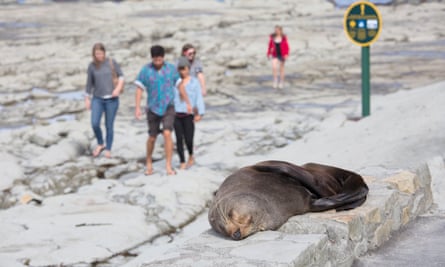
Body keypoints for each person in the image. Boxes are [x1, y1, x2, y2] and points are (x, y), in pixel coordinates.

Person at [134, 45, 191, 176]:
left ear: (163, 58)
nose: (158, 62)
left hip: (168, 106)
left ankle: (168, 165)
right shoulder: (145, 70)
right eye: (155, 60)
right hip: (152, 108)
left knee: (167, 133)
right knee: (152, 137)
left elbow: (180, 85)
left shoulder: (171, 69)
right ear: (152, 58)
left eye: (160, 59)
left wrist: (187, 102)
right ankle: (149, 162)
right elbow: (139, 89)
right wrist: (137, 107)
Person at [85, 43, 124, 158]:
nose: (99, 56)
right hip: (97, 99)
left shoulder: (111, 62)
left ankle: (108, 148)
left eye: (100, 53)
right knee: (94, 123)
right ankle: (100, 143)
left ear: (104, 53)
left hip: (112, 100)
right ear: (94, 54)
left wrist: (117, 89)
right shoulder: (92, 66)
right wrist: (87, 98)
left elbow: (121, 76)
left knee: (109, 125)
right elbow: (89, 83)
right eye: (96, 54)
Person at [174, 57, 205, 170]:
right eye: (180, 69)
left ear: (188, 68)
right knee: (178, 139)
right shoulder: (176, 82)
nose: (182, 71)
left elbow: (198, 98)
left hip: (188, 114)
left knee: (188, 138)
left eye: (184, 68)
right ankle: (182, 161)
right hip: (176, 114)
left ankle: (191, 155)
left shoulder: (194, 82)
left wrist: (199, 113)